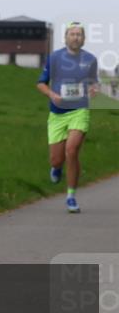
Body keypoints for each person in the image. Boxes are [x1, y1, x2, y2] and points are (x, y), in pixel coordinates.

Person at [36, 22, 99, 213]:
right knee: (56, 160)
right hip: (57, 113)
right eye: (72, 34)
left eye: (79, 34)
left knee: (71, 151)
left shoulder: (90, 59)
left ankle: (71, 196)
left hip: (79, 110)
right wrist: (51, 95)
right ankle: (56, 168)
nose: (76, 37)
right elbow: (41, 83)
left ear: (84, 38)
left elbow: (94, 83)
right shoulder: (54, 58)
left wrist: (94, 89)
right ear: (65, 38)